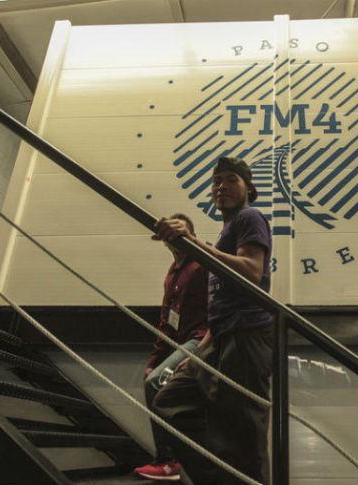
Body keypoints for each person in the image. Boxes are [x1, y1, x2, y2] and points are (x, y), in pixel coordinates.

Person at [150, 156, 274, 484]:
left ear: (249, 188)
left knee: (244, 434)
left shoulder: (250, 217)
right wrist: (199, 352)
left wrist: (195, 245)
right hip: (219, 338)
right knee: (170, 402)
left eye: (232, 179)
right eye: (217, 180)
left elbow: (252, 271)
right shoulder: (225, 234)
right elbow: (220, 304)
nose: (222, 186)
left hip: (246, 335)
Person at [133, 213, 211, 481]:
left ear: (191, 235)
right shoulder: (172, 273)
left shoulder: (202, 262)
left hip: (202, 339)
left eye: (181, 233)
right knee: (153, 379)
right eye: (171, 235)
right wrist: (154, 360)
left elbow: (217, 258)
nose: (175, 239)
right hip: (181, 342)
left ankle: (167, 462)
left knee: (154, 384)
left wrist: (193, 241)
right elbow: (167, 321)